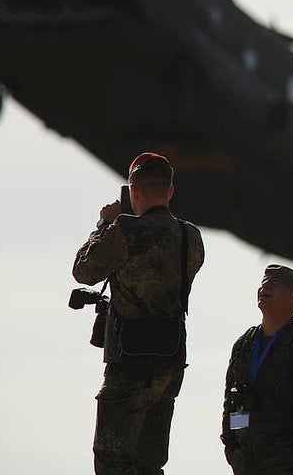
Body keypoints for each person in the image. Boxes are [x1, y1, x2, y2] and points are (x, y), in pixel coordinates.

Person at [72, 152, 205, 475]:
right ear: (170, 192)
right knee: (150, 462)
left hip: (129, 362)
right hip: (170, 360)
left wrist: (105, 224)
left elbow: (84, 270)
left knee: (112, 460)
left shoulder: (123, 231)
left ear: (133, 191)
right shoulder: (191, 237)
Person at [221, 265, 293, 474]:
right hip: (246, 461)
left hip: (289, 464)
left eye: (275, 283)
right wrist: (231, 446)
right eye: (264, 282)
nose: (265, 286)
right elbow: (232, 400)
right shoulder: (244, 344)